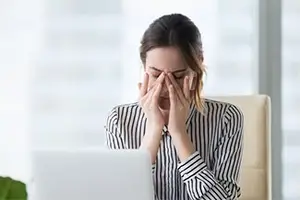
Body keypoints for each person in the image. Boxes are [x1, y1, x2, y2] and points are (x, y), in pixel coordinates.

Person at [104, 13, 244, 200]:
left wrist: (179, 133)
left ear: (197, 67)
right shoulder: (120, 121)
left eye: (177, 77)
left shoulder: (226, 118)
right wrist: (153, 131)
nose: (165, 87)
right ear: (144, 68)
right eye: (155, 75)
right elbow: (121, 196)